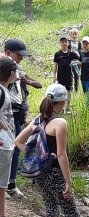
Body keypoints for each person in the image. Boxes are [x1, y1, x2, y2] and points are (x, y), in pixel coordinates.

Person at [14, 83, 80, 216]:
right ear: (62, 102)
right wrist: (68, 181)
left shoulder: (37, 120)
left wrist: (35, 159)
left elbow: (18, 141)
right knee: (71, 213)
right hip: (56, 174)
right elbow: (61, 155)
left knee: (51, 210)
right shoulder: (60, 123)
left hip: (40, 173)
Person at [4, 38, 42, 198]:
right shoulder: (3, 71)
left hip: (18, 112)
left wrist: (27, 80)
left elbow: (37, 84)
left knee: (15, 149)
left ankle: (11, 184)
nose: (21, 59)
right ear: (8, 53)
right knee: (4, 149)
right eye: (19, 55)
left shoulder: (18, 70)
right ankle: (3, 185)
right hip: (5, 114)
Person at [0, 57, 17, 217]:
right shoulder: (0, 91)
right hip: (2, 144)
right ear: (12, 74)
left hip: (6, 143)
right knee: (1, 187)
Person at [53, 36, 79, 114]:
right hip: (60, 76)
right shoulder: (57, 54)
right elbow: (55, 65)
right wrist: (54, 76)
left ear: (68, 43)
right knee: (60, 92)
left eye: (65, 42)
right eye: (62, 42)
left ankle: (68, 108)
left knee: (68, 92)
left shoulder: (71, 53)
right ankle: (61, 108)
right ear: (60, 43)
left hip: (69, 76)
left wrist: (74, 62)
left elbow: (79, 58)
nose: (64, 43)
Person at [68, 28, 82, 92]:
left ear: (78, 35)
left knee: (77, 76)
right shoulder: (68, 42)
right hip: (69, 61)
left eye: (75, 34)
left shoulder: (80, 43)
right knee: (69, 76)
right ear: (70, 35)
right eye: (73, 34)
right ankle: (70, 89)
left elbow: (82, 52)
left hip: (77, 62)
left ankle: (76, 90)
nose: (74, 36)